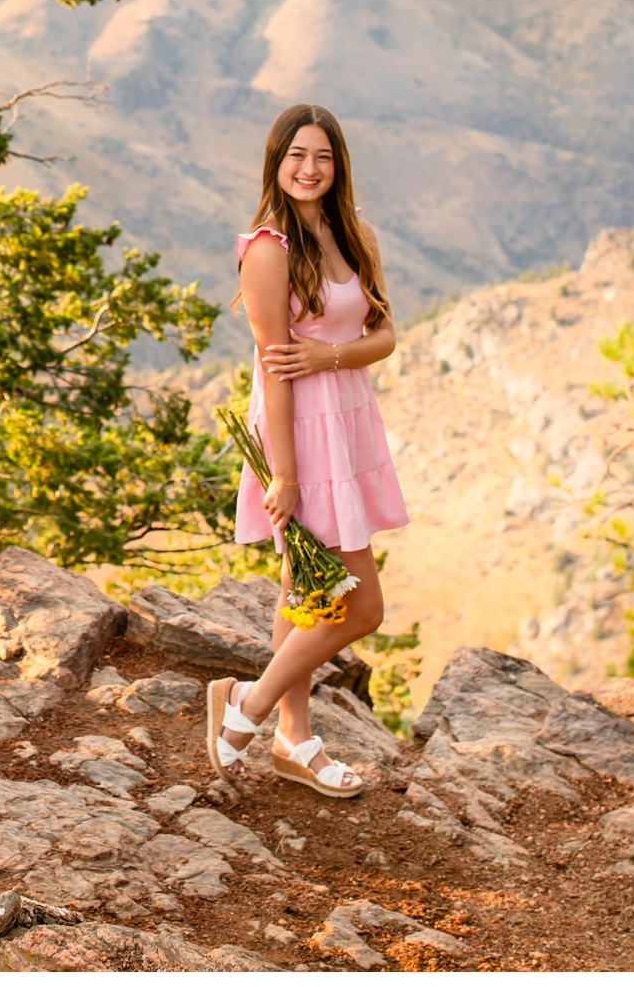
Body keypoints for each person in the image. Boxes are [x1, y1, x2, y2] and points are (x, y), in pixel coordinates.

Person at [205, 103, 408, 798]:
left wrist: (333, 354)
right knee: (358, 607)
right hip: (301, 432)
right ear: (277, 162)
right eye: (296, 156)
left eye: (321, 156)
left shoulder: (354, 237)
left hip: (347, 418)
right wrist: (284, 477)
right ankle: (249, 707)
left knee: (305, 590)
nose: (309, 168)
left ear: (337, 164)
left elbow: (383, 335)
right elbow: (273, 367)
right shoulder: (269, 250)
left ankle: (294, 739)